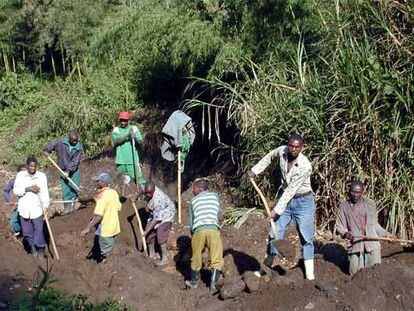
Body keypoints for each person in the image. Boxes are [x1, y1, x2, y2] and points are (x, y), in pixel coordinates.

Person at [247, 133, 315, 280]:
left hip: (303, 202)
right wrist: (255, 170)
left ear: (302, 148)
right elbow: (269, 156)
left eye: (297, 147)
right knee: (275, 232)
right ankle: (266, 269)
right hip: (287, 200)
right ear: (288, 144)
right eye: (291, 145)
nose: (293, 149)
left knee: (306, 237)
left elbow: (291, 189)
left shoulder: (305, 166)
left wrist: (276, 209)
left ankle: (310, 275)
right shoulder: (282, 151)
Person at [336, 180, 396, 275]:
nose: (355, 195)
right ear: (348, 191)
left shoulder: (370, 204)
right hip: (355, 245)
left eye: (358, 192)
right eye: (353, 192)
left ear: (363, 192)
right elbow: (340, 226)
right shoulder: (344, 206)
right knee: (354, 274)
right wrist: (346, 233)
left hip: (372, 245)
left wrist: (387, 234)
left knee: (375, 274)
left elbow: (375, 225)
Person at [185, 179, 223, 291]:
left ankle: (194, 282)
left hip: (198, 230)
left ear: (200, 188)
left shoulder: (193, 201)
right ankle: (213, 283)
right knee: (216, 256)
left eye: (194, 189)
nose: (192, 191)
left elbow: (192, 222)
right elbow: (217, 212)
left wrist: (193, 236)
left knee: (196, 256)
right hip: (213, 229)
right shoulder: (215, 196)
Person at [13, 156, 50, 258]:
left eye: (35, 167)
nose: (33, 169)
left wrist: (46, 206)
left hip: (37, 207)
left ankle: (41, 249)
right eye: (31, 166)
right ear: (27, 166)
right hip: (24, 208)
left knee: (39, 229)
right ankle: (33, 248)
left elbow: (44, 192)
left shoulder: (41, 176)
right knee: (27, 231)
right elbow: (16, 191)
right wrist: (28, 189)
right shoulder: (20, 176)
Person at [81, 172, 122, 262]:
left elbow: (99, 216)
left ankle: (106, 267)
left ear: (103, 182)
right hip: (115, 227)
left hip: (105, 229)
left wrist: (87, 228)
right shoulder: (114, 192)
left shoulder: (102, 196)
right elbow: (118, 207)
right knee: (111, 249)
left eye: (98, 181)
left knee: (106, 254)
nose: (96, 182)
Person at [43, 131, 82, 215]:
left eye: (76, 140)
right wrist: (46, 150)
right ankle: (67, 208)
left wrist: (68, 171)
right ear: (69, 139)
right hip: (62, 169)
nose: (75, 142)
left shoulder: (78, 147)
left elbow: (75, 161)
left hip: (74, 170)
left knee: (75, 188)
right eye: (73, 141)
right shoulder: (61, 142)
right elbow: (51, 145)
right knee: (65, 190)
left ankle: (73, 206)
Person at [142, 181, 176, 266]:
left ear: (153, 191)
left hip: (166, 214)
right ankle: (152, 254)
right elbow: (141, 190)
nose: (148, 195)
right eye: (146, 193)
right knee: (149, 234)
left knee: (160, 233)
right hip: (156, 211)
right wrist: (134, 198)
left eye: (150, 194)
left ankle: (164, 258)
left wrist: (145, 232)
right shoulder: (146, 188)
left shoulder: (158, 200)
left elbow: (155, 220)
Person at [112, 111, 145, 190]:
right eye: (121, 120)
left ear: (128, 120)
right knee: (121, 180)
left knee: (138, 179)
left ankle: (142, 196)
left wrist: (134, 137)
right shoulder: (116, 130)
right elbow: (117, 141)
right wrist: (127, 136)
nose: (123, 122)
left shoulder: (133, 128)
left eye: (125, 120)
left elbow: (140, 141)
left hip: (132, 159)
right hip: (121, 160)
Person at [3, 165, 26, 236]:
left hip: (33, 204)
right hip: (22, 204)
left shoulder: (32, 179)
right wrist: (9, 200)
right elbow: (5, 192)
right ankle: (19, 232)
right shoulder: (14, 181)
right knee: (13, 222)